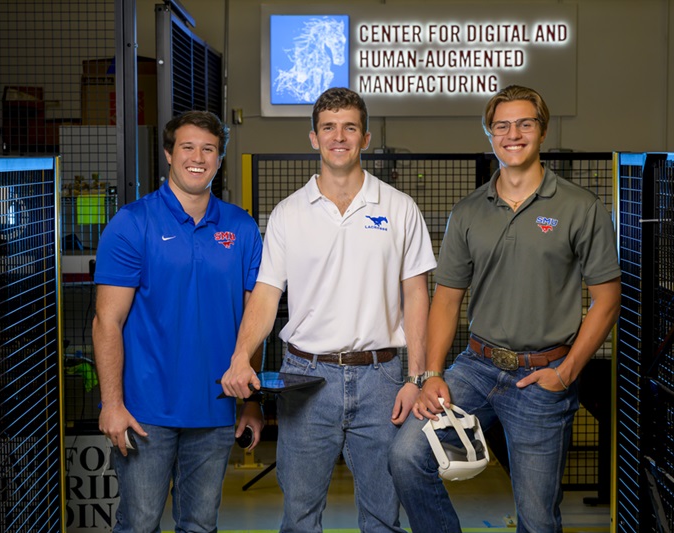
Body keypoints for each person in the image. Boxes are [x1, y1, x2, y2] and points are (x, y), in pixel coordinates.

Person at [389, 85, 621, 533]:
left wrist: (567, 372)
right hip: (476, 368)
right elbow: (447, 299)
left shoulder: (580, 207)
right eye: (502, 126)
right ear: (489, 135)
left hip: (541, 376)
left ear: (542, 130)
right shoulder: (468, 211)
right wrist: (432, 373)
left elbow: (607, 300)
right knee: (405, 457)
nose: (513, 134)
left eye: (524, 123)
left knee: (536, 518)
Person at [219, 87, 437, 533]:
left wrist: (418, 378)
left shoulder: (399, 208)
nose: (339, 136)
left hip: (382, 379)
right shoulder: (287, 214)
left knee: (383, 517)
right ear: (314, 138)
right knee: (299, 517)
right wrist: (241, 356)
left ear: (366, 137)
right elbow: (264, 295)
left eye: (349, 127)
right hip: (306, 378)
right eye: (329, 128)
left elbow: (417, 296)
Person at [92, 110, 264, 533]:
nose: (198, 157)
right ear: (169, 154)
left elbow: (253, 322)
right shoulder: (133, 223)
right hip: (144, 412)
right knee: (140, 524)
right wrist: (112, 404)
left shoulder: (241, 228)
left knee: (201, 526)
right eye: (187, 147)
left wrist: (251, 401)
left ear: (220, 159)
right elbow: (106, 322)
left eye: (209, 149)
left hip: (216, 411)